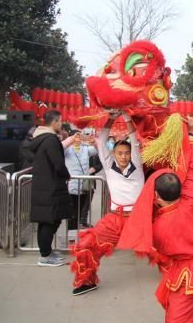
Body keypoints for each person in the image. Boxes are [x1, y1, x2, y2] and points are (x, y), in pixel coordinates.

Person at [117, 116, 193, 323]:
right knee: (169, 302)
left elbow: (161, 253)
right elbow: (191, 164)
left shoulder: (158, 228)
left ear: (155, 196)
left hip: (192, 270)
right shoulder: (191, 196)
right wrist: (190, 132)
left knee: (175, 318)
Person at [70, 111, 144, 296]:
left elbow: (134, 139)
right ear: (114, 154)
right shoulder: (109, 166)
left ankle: (178, 276)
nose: (124, 157)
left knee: (169, 244)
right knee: (86, 244)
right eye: (120, 153)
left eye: (127, 153)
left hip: (138, 220)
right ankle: (87, 280)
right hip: (114, 219)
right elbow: (101, 140)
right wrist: (112, 117)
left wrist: (127, 116)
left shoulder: (137, 165)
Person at [29, 110, 71, 267]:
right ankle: (45, 255)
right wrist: (67, 175)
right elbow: (58, 164)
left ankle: (46, 251)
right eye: (60, 121)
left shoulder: (41, 138)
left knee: (47, 221)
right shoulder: (51, 140)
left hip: (44, 186)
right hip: (51, 187)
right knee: (51, 221)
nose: (61, 124)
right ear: (54, 122)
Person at [64, 130, 98, 229]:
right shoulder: (67, 149)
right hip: (71, 185)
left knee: (79, 210)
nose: (78, 139)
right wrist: (70, 140)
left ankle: (76, 233)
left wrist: (94, 141)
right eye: (76, 137)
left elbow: (97, 150)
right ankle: (71, 233)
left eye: (79, 137)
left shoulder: (86, 149)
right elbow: (59, 148)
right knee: (71, 212)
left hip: (83, 185)